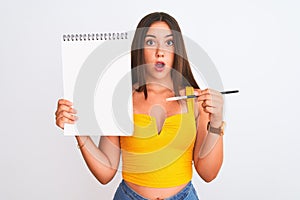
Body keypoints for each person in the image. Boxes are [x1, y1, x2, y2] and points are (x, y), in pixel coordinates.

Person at [55, 12, 224, 200]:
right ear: (139, 48)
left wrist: (216, 122)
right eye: (151, 42)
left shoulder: (196, 99)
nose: (160, 51)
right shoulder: (120, 99)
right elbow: (105, 172)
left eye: (169, 42)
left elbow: (208, 174)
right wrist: (78, 129)